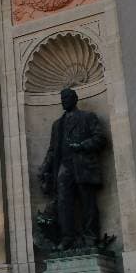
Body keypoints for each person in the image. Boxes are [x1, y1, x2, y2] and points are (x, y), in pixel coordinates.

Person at [38, 88, 106, 250]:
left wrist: (82, 146)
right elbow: (53, 150)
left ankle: (90, 237)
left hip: (83, 165)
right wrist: (44, 168)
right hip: (64, 167)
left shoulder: (87, 117)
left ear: (74, 99)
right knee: (63, 203)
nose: (64, 100)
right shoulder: (57, 125)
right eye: (62, 98)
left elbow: (100, 138)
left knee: (87, 202)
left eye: (67, 97)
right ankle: (68, 237)